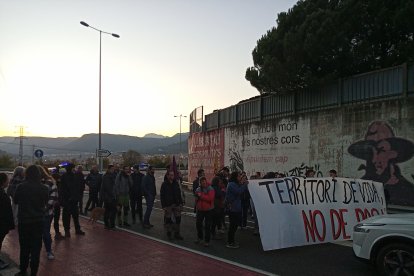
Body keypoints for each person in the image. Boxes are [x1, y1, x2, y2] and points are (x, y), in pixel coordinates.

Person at [348, 120, 414, 206]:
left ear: (393, 154)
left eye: (381, 151)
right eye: (370, 151)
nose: (374, 159)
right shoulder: (359, 188)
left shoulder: (408, 191)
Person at [14, 165, 48, 276]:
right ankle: (34, 272)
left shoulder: (21, 187)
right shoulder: (44, 188)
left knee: (24, 247)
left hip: (24, 221)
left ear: (27, 174)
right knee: (36, 248)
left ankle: (23, 270)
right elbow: (45, 202)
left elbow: (15, 201)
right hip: (38, 221)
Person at [39, 166, 58, 260]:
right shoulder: (51, 182)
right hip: (47, 213)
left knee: (41, 233)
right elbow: (54, 198)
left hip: (38, 213)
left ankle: (45, 251)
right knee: (45, 232)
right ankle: (48, 251)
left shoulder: (48, 183)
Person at [61, 163, 85, 237]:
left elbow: (62, 188)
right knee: (72, 216)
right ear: (71, 168)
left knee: (70, 216)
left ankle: (70, 231)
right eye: (73, 168)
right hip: (71, 200)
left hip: (69, 200)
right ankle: (74, 230)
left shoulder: (65, 176)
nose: (74, 169)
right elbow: (76, 187)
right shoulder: (73, 176)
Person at [225, 171, 247, 249]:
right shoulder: (231, 184)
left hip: (236, 208)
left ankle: (232, 240)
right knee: (233, 226)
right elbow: (239, 191)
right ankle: (230, 242)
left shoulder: (234, 184)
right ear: (235, 177)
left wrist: (242, 183)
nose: (239, 177)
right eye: (238, 176)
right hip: (233, 208)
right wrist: (245, 184)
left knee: (234, 225)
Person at [160, 170, 184, 240]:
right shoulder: (164, 184)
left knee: (178, 219)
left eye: (173, 175)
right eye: (170, 175)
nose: (172, 176)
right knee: (168, 220)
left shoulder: (176, 183)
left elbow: (179, 193)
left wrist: (181, 203)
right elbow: (162, 195)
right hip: (168, 205)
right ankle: (169, 232)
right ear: (167, 176)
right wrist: (163, 206)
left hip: (176, 204)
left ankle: (177, 233)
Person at [194, 176, 215, 247]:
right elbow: (196, 198)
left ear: (206, 181)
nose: (203, 183)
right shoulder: (198, 189)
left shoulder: (210, 188)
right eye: (202, 182)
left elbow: (210, 198)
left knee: (207, 225)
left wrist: (201, 196)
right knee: (198, 224)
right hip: (200, 210)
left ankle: (207, 241)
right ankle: (200, 237)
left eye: (204, 182)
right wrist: (197, 199)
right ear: (200, 183)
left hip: (209, 210)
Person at [0, 173, 14, 270]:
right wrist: (9, 226)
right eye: (7, 180)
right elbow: (6, 212)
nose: (8, 182)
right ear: (3, 181)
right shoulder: (3, 196)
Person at [100, 165, 117, 230]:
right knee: (112, 211)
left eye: (113, 169)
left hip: (108, 197)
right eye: (112, 169)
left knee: (107, 211)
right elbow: (108, 188)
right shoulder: (107, 177)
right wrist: (113, 196)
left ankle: (107, 225)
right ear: (109, 169)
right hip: (109, 197)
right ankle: (111, 225)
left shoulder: (111, 176)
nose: (113, 170)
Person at [51, 166, 64, 240]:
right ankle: (57, 233)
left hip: (50, 204)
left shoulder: (49, 183)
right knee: (56, 219)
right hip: (56, 204)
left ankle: (46, 233)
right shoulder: (59, 184)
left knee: (49, 220)